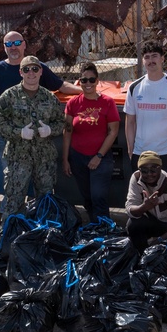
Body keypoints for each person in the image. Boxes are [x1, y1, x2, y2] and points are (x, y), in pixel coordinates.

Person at [0, 31, 79, 198]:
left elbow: (61, 86)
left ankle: (35, 215)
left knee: (40, 181)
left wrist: (86, 91)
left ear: (24, 44)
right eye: (8, 44)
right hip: (9, 139)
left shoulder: (38, 67)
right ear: (4, 48)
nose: (13, 47)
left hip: (38, 139)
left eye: (17, 43)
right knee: (13, 181)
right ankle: (10, 215)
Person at [0, 55, 66, 217]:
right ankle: (10, 236)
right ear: (21, 72)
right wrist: (19, 133)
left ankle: (42, 237)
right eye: (26, 69)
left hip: (44, 158)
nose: (31, 73)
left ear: (41, 72)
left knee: (45, 200)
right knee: (14, 200)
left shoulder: (49, 97)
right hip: (18, 158)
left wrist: (51, 130)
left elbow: (61, 123)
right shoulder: (9, 96)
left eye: (35, 69)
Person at [124, 41, 167, 181]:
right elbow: (130, 121)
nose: (151, 60)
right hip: (140, 153)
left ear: (162, 58)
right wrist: (131, 151)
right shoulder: (134, 87)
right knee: (142, 197)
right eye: (147, 57)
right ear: (142, 61)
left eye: (154, 56)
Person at [62, 62, 120, 222]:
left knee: (98, 196)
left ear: (97, 81)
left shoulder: (107, 102)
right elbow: (67, 131)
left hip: (100, 157)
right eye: (84, 80)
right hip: (77, 157)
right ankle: (94, 229)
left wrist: (99, 156)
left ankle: (104, 232)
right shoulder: (73, 103)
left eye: (91, 80)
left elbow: (113, 132)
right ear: (79, 81)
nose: (88, 84)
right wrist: (65, 159)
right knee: (87, 197)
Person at [124, 151, 167, 252]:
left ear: (160, 168)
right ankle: (142, 257)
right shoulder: (136, 178)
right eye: (144, 171)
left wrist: (160, 240)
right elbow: (130, 207)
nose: (149, 174)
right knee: (133, 225)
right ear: (139, 170)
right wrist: (144, 207)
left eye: (153, 170)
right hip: (156, 222)